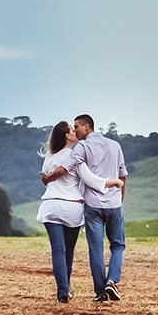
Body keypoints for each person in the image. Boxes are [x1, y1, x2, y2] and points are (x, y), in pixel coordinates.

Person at [42, 114, 127, 303]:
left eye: (77, 127)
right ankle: (111, 281)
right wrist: (117, 194)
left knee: (92, 249)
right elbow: (121, 176)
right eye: (72, 129)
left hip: (85, 205)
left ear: (87, 127)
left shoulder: (74, 150)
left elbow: (64, 170)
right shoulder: (115, 146)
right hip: (108, 203)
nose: (76, 131)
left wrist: (47, 179)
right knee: (118, 245)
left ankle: (97, 292)